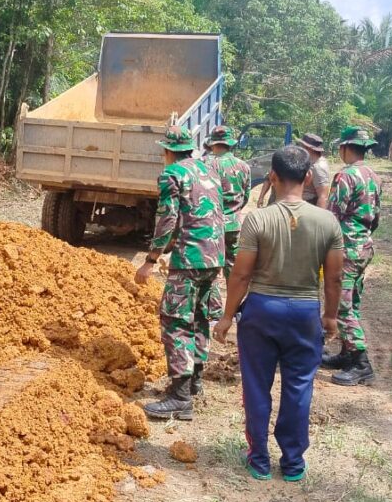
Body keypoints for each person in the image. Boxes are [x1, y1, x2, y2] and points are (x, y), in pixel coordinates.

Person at [214, 146, 344, 482]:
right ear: (308, 177)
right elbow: (334, 277)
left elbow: (241, 274)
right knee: (299, 387)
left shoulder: (257, 219)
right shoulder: (327, 222)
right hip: (304, 313)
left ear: (272, 177)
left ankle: (258, 459)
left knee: (257, 387)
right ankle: (292, 462)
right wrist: (330, 316)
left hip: (261, 310)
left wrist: (228, 317)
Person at [135, 126, 225, 420]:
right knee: (200, 317)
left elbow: (167, 219)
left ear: (168, 150)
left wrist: (151, 259)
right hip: (213, 259)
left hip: (189, 260)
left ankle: (180, 397)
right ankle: (194, 382)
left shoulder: (172, 174)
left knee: (175, 321)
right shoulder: (209, 171)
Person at [321, 126, 383, 386]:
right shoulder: (374, 176)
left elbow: (333, 215)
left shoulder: (345, 176)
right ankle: (347, 353)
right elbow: (376, 216)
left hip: (346, 248)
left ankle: (360, 362)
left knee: (343, 305)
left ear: (345, 148)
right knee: (353, 299)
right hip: (364, 246)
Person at [205, 125, 252, 277]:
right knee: (232, 266)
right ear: (231, 143)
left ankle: (210, 300)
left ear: (212, 143)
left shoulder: (204, 164)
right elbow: (245, 196)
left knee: (209, 267)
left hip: (210, 224)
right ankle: (232, 300)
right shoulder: (244, 166)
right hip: (233, 224)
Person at [256, 133, 331, 209]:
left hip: (303, 206)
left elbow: (323, 197)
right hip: (281, 201)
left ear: (309, 148)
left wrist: (317, 218)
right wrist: (261, 197)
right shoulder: (297, 159)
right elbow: (269, 178)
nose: (299, 147)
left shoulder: (318, 167)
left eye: (302, 145)